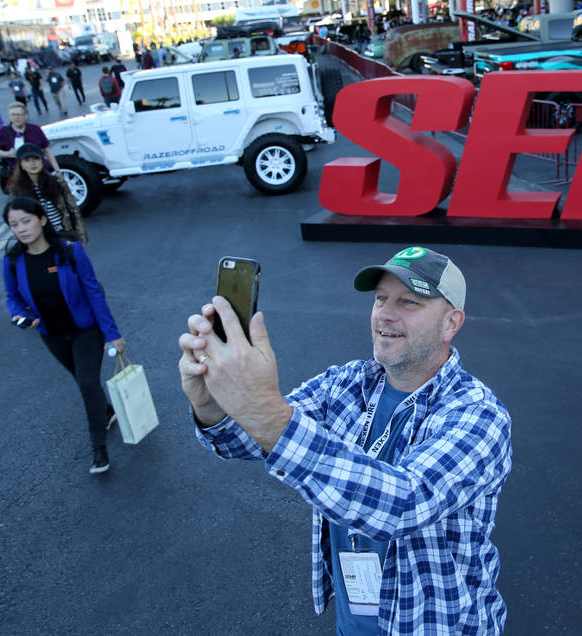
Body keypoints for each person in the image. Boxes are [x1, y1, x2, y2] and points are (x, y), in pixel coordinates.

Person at [178, 246, 512, 633]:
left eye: (409, 302)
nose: (386, 313)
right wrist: (211, 405)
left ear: (451, 323)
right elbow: (249, 440)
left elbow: (402, 504)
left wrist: (264, 409)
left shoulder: (479, 415)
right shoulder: (347, 384)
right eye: (381, 298)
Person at [3, 196, 123, 474]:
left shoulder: (70, 251)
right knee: (84, 381)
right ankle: (106, 411)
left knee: (87, 384)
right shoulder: (12, 260)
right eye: (13, 225)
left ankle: (99, 450)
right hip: (51, 335)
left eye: (26, 221)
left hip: (85, 331)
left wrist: (111, 334)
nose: (20, 229)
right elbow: (12, 297)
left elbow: (94, 291)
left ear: (42, 220)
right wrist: (20, 315)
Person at [7, 143, 87, 243]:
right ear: (21, 165)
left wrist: (81, 237)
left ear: (42, 161)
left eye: (36, 159)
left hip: (62, 233)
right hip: (39, 237)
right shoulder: (17, 190)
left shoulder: (56, 181)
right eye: (27, 160)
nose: (33, 163)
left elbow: (73, 209)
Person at [0, 102, 61, 193]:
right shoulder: (3, 132)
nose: (16, 117)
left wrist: (57, 171)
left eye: (19, 114)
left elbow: (47, 150)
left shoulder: (35, 129)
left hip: (40, 174)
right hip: (18, 178)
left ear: (26, 116)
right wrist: (8, 154)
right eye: (13, 115)